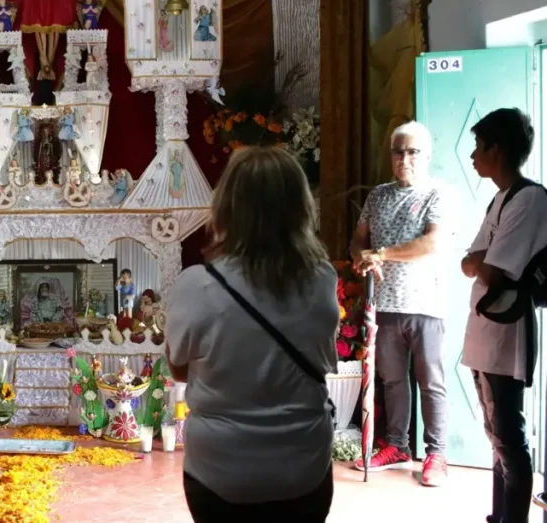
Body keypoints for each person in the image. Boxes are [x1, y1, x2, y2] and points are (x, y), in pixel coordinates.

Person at [166, 146, 337, 522]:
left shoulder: (197, 284)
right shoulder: (322, 278)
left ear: (226, 207)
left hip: (221, 472)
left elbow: (179, 371)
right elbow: (323, 359)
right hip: (303, 467)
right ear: (300, 209)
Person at [350, 121, 450, 486]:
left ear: (427, 155)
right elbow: (357, 240)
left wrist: (382, 253)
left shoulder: (438, 193)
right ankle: (397, 445)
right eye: (398, 151)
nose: (404, 158)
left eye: (412, 151)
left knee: (431, 381)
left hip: (426, 304)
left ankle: (437, 454)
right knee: (392, 381)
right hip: (385, 305)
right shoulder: (377, 195)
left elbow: (431, 244)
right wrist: (363, 256)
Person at [460, 108, 547, 523]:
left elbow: (493, 269)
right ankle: (499, 516)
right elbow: (469, 261)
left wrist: (481, 262)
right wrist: (480, 262)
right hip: (484, 333)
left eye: (479, 147)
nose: (474, 156)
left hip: (507, 333)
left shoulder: (530, 198)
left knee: (509, 436)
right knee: (495, 436)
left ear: (498, 149)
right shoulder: (500, 198)